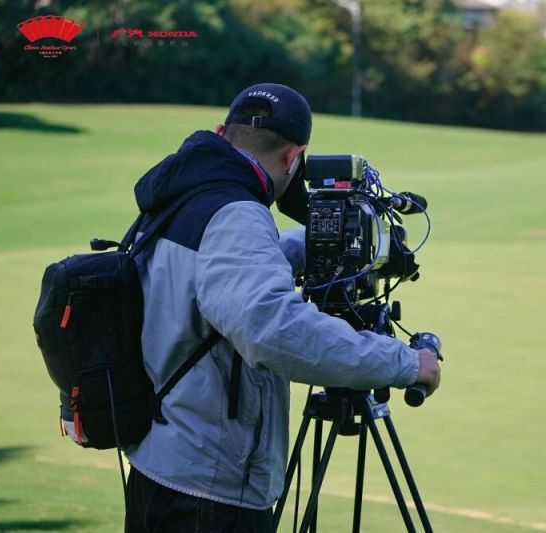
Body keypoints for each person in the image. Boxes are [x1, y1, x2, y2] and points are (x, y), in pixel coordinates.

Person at [123, 83, 441, 532]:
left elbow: (211, 277)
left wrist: (314, 246)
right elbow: (273, 330)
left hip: (161, 467)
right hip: (209, 489)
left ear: (221, 132)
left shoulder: (185, 193)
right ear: (294, 157)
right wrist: (405, 363)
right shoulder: (237, 213)